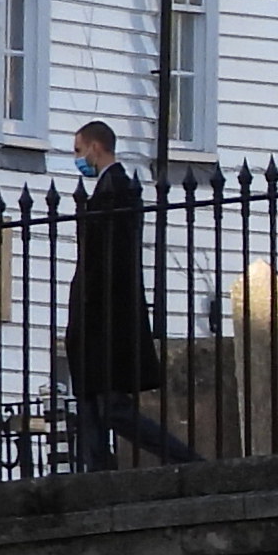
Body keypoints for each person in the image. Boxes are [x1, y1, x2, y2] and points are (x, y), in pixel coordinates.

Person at [59, 120, 199, 469]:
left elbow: (109, 260)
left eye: (78, 150)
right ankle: (95, 475)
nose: (77, 159)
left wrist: (90, 303)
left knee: (111, 407)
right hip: (93, 316)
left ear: (95, 147)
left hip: (105, 316)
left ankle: (185, 459)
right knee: (89, 403)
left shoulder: (117, 188)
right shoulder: (108, 189)